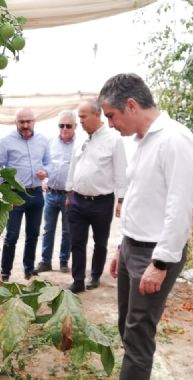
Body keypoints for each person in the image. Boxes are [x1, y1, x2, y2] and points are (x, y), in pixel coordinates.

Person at [81, 74, 193, 380]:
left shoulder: (176, 141)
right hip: (135, 246)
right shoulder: (141, 143)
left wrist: (161, 262)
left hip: (156, 254)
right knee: (126, 324)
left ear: (132, 106)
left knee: (138, 331)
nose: (111, 123)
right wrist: (122, 246)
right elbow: (138, 198)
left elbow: (179, 208)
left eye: (113, 115)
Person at [65, 99, 127, 293]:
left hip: (102, 202)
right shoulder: (80, 140)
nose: (80, 121)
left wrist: (121, 200)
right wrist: (69, 194)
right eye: (79, 117)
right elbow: (72, 168)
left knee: (100, 242)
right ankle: (78, 280)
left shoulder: (114, 140)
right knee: (77, 242)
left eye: (83, 117)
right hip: (78, 200)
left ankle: (95, 276)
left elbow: (121, 173)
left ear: (96, 115)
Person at [0, 107, 49, 281]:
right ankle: (5, 272)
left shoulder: (42, 141)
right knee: (12, 235)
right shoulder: (6, 142)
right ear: (16, 123)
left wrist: (46, 171)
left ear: (34, 121)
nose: (25, 125)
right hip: (15, 195)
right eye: (22, 122)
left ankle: (28, 269)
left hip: (36, 195)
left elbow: (49, 163)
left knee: (33, 234)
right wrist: (4, 185)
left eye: (28, 121)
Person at [36, 110, 77, 274]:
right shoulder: (50, 142)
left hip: (68, 196)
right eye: (62, 125)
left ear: (75, 126)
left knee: (67, 231)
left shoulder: (79, 145)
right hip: (51, 194)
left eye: (68, 125)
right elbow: (43, 164)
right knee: (48, 229)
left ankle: (63, 261)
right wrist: (44, 181)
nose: (65, 129)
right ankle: (45, 261)